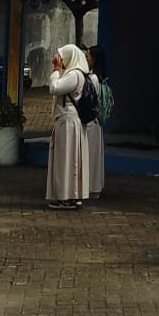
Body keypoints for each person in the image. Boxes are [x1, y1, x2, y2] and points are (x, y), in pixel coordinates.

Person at [46, 45, 90, 209]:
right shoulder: (77, 74)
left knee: (65, 160)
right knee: (71, 160)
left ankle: (65, 197)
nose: (60, 60)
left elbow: (54, 88)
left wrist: (56, 69)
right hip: (69, 121)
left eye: (62, 57)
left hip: (68, 121)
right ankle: (72, 195)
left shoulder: (74, 75)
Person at [84, 47, 105, 201]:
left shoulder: (92, 79)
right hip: (93, 124)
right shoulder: (96, 77)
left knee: (90, 157)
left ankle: (91, 187)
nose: (86, 58)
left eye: (88, 56)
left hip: (91, 124)